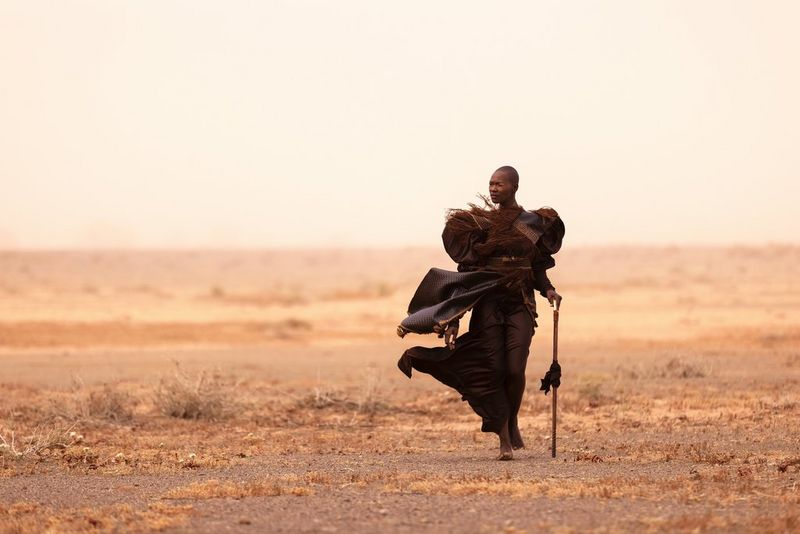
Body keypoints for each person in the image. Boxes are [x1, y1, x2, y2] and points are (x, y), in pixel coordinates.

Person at [396, 166, 564, 460]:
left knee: (515, 368)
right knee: (494, 369)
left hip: (520, 304)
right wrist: (454, 318)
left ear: (514, 187)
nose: (493, 188)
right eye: (490, 184)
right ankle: (504, 439)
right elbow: (469, 277)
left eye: (499, 184)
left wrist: (548, 290)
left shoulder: (532, 223)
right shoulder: (480, 225)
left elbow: (535, 266)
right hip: (487, 305)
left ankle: (512, 420)